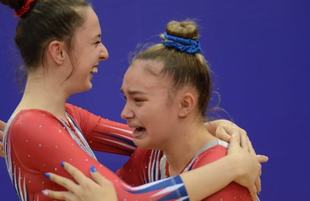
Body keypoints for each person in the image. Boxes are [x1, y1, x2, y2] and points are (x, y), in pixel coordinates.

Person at [0, 0, 267, 201]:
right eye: (95, 42)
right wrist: (232, 165)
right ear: (58, 52)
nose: (104, 53)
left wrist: (209, 127)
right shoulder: (32, 125)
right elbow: (124, 198)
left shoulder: (63, 117)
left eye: (138, 100)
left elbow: (151, 136)